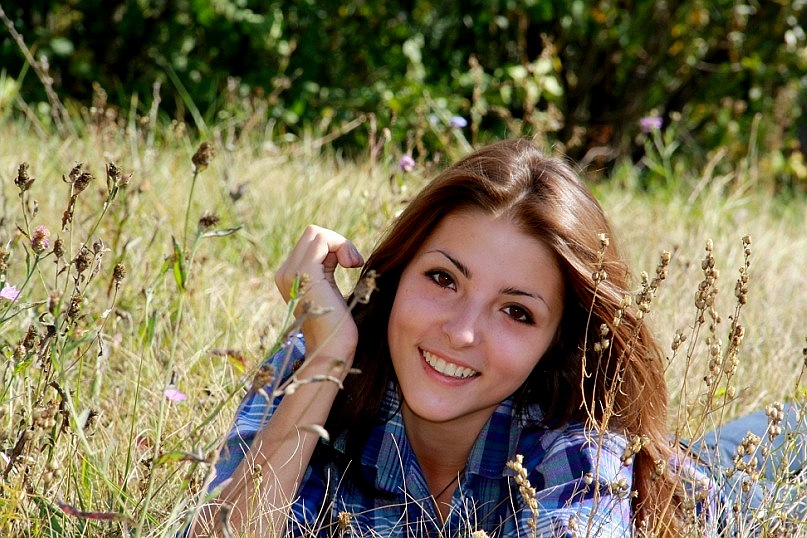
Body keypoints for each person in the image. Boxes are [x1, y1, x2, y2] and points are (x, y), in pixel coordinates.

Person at [186, 139, 804, 537]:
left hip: (727, 488)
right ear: (397, 273)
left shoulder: (579, 446)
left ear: (556, 342)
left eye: (517, 312)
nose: (461, 332)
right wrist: (325, 361)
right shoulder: (318, 364)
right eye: (443, 279)